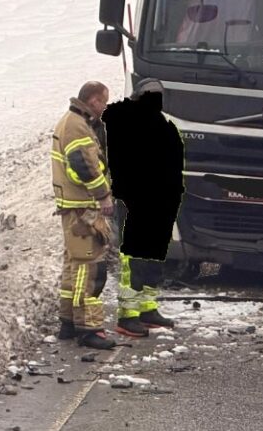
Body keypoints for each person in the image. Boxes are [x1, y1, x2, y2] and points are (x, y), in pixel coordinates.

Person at [103, 79, 184, 338]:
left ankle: (148, 309)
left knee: (153, 261)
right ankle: (128, 316)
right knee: (134, 263)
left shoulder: (163, 125)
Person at [52, 81, 119, 350]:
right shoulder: (77, 126)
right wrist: (103, 195)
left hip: (74, 206)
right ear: (93, 101)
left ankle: (68, 322)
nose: (105, 107)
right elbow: (83, 166)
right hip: (82, 208)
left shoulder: (71, 122)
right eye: (104, 102)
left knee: (74, 265)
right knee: (89, 269)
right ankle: (88, 328)